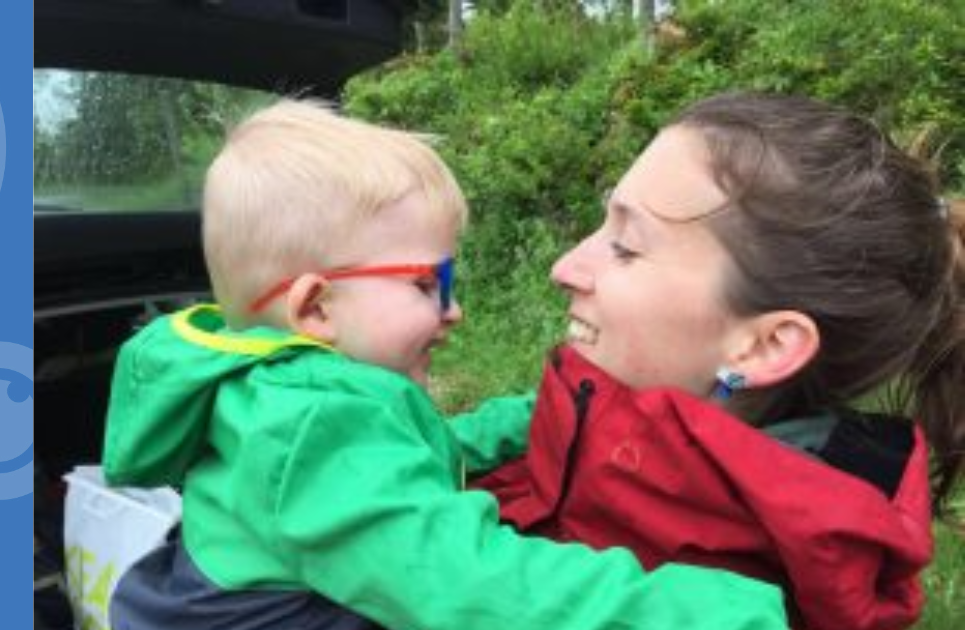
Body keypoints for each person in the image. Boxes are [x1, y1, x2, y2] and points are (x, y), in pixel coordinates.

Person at [99, 99, 788, 630]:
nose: (453, 311)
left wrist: (534, 415)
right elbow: (470, 582)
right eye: (429, 285)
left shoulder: (279, 386)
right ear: (316, 308)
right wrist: (701, 608)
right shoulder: (310, 423)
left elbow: (422, 447)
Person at [471, 91, 965, 630]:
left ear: (764, 346)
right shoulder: (599, 431)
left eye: (626, 247)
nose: (564, 267)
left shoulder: (723, 603)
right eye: (603, 225)